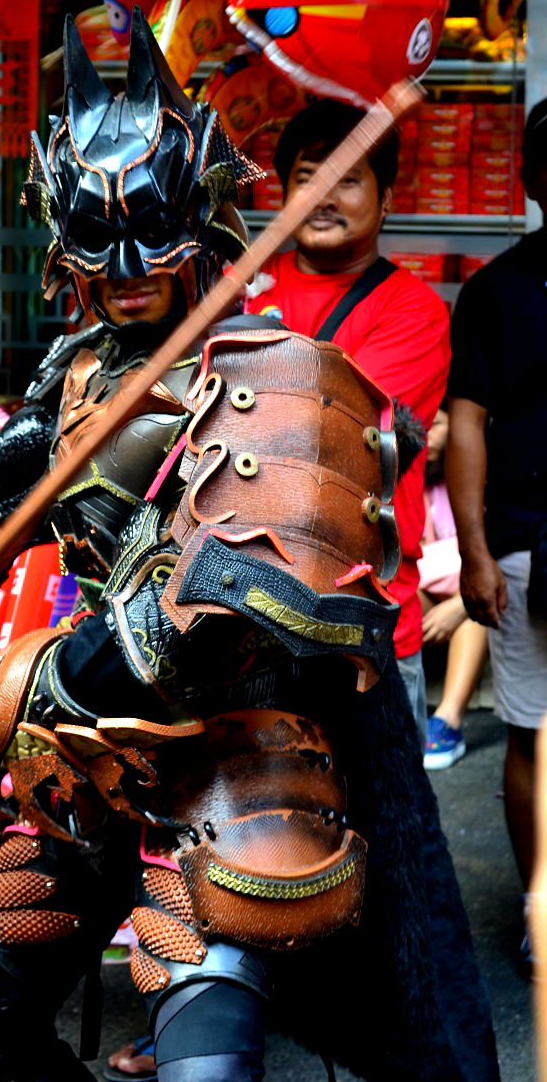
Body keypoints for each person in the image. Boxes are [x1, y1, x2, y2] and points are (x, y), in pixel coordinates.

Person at [0, 13, 499, 1082]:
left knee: (207, 1065)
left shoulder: (277, 382)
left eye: (152, 235)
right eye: (96, 245)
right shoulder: (80, 373)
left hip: (233, 780)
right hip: (83, 782)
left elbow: (178, 631)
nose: (125, 270)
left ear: (204, 221)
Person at [243, 98, 451, 752]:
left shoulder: (414, 312)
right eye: (308, 176)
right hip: (241, 619)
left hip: (364, 624)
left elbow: (343, 439)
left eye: (348, 179)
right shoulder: (235, 288)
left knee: (383, 838)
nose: (325, 195)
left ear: (386, 199)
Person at [447, 96, 547, 966]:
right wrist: (475, 550)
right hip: (527, 538)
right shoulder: (494, 294)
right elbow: (467, 422)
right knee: (533, 731)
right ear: (533, 180)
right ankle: (540, 904)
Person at [419, 406, 489, 770]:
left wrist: (459, 605)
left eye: (438, 425)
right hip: (429, 592)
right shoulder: (411, 485)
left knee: (478, 611)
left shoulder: (474, 481)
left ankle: (447, 721)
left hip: (470, 593)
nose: (427, 436)